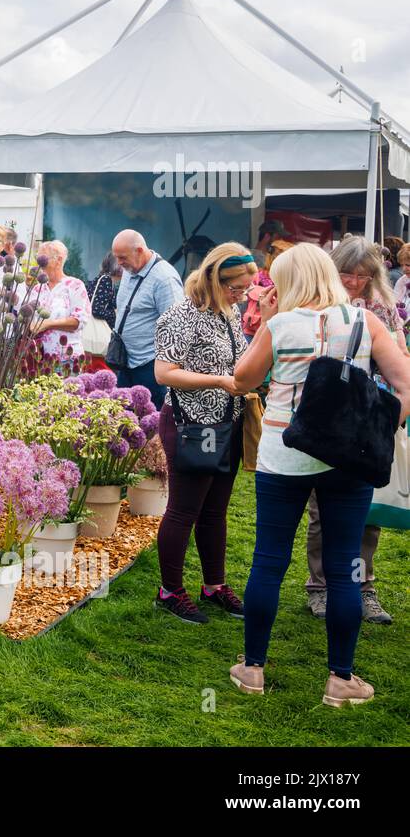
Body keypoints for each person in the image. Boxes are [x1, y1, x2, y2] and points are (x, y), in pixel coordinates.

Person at [229, 243, 410, 706]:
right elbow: (405, 381)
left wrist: (265, 322)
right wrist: (381, 432)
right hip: (345, 458)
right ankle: (341, 678)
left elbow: (242, 380)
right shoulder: (364, 322)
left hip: (283, 452)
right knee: (345, 565)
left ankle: (252, 669)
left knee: (269, 558)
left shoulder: (281, 324)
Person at [300, 237, 404, 624]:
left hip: (368, 416)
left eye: (363, 276)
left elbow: (399, 358)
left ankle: (363, 587)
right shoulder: (317, 302)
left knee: (367, 511)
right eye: (348, 274)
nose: (355, 282)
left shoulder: (383, 306)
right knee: (321, 507)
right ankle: (320, 586)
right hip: (327, 415)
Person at [151, 243, 256, 623]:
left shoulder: (228, 312)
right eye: (235, 288)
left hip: (227, 423)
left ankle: (214, 585)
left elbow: (238, 360)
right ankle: (169, 591)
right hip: (191, 424)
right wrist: (221, 382)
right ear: (214, 278)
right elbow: (164, 373)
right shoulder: (183, 315)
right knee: (183, 510)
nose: (240, 295)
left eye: (245, 289)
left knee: (215, 512)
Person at [109, 229, 185, 406]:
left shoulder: (165, 279)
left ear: (140, 251)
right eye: (117, 257)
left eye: (123, 258)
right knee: (121, 418)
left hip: (150, 365)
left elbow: (177, 327)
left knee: (150, 422)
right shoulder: (130, 268)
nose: (119, 263)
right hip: (126, 361)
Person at [29, 239, 90, 364]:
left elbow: (78, 321)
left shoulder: (75, 286)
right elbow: (30, 319)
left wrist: (49, 324)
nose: (39, 263)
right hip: (39, 359)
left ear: (59, 260)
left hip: (68, 358)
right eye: (38, 258)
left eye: (43, 258)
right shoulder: (37, 288)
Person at [88, 252, 120, 327]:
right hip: (98, 330)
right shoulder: (106, 280)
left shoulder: (105, 280)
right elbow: (96, 310)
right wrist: (115, 313)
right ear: (117, 266)